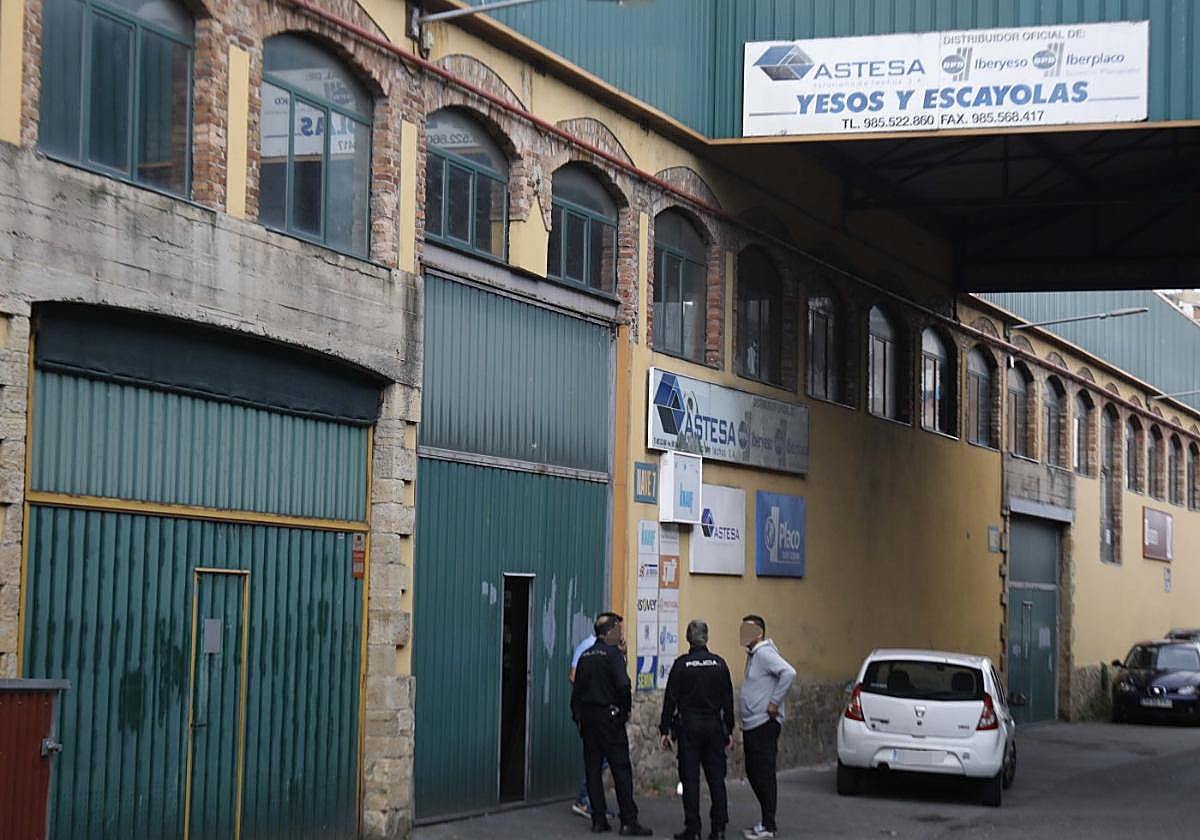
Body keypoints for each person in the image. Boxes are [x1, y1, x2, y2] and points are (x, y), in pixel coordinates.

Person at [571, 613, 653, 836]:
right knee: (621, 770)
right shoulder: (613, 655)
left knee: (593, 769)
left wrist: (578, 717)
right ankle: (628, 821)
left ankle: (598, 819)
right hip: (610, 719)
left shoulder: (586, 656)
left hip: (589, 720)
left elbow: (576, 691)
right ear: (610, 633)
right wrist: (624, 711)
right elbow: (623, 685)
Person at [659, 619, 735, 840]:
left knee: (690, 779)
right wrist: (728, 729)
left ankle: (693, 829)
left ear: (688, 638)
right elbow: (728, 701)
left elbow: (670, 699)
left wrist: (665, 729)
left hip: (689, 727)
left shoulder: (681, 665)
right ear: (707, 637)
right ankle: (719, 828)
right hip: (713, 726)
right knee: (716, 779)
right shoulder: (720, 664)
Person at [738, 615, 796, 840]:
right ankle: (765, 819)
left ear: (759, 633)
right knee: (754, 771)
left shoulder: (764, 653)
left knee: (763, 772)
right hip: (753, 723)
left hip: (764, 723)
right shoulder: (755, 655)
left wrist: (774, 702)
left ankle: (769, 824)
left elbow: (789, 672)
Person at [570, 613, 620, 820]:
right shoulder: (587, 648)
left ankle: (591, 802)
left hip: (606, 714)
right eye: (618, 630)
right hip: (595, 714)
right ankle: (583, 799)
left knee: (603, 760)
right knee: (598, 760)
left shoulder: (611, 651)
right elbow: (573, 675)